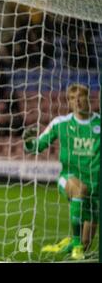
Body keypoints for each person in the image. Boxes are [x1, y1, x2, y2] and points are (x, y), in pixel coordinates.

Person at [23, 84, 100, 260]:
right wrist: (28, 141)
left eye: (81, 96)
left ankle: (71, 242)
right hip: (68, 179)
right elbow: (36, 147)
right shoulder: (60, 123)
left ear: (88, 98)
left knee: (86, 243)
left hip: (96, 187)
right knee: (80, 189)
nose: (77, 101)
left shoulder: (98, 124)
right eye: (72, 98)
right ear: (69, 102)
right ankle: (76, 243)